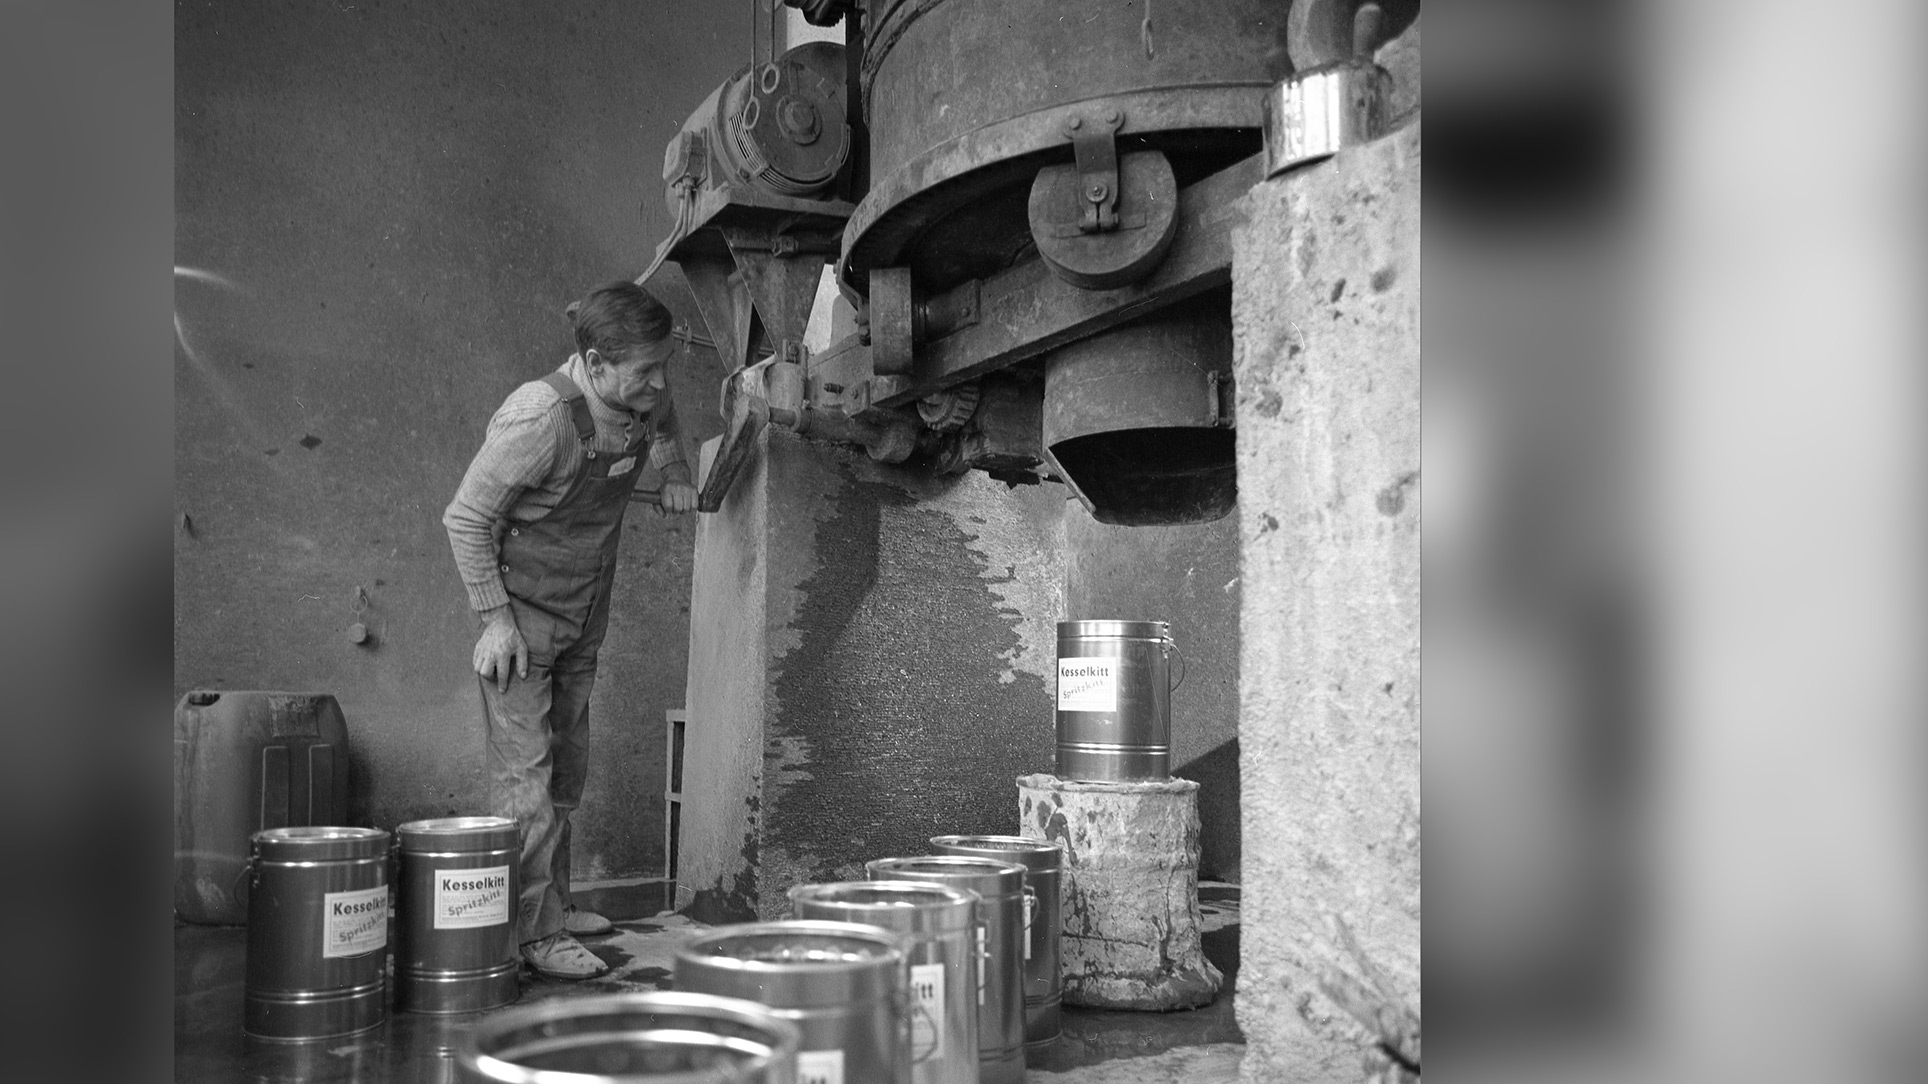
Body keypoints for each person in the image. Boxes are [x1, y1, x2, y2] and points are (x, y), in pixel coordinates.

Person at [442, 281, 698, 979]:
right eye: (645, 370)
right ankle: (533, 934)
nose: (660, 382)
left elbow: (666, 420)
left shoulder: (642, 395)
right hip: (520, 625)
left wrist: (675, 470)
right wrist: (494, 620)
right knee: (525, 783)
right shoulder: (540, 420)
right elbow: (465, 518)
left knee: (565, 771)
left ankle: (552, 901)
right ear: (595, 362)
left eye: (664, 365)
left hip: (584, 614)